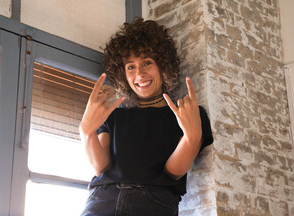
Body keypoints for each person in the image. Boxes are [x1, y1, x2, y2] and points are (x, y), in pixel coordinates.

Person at [79, 18, 213, 216]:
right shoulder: (114, 116)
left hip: (153, 203)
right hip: (102, 201)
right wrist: (86, 131)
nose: (139, 73)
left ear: (162, 66)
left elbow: (173, 172)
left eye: (147, 63)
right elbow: (101, 167)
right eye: (130, 66)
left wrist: (191, 138)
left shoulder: (187, 114)